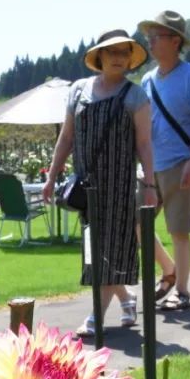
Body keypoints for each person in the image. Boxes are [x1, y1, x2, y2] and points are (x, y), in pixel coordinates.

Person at [41, 29, 157, 338]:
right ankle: (126, 299)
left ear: (130, 59)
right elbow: (66, 138)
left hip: (120, 188)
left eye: (124, 53)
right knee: (96, 252)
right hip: (86, 189)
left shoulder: (135, 96)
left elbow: (145, 145)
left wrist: (150, 186)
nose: (118, 58)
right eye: (112, 52)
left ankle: (96, 315)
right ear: (100, 57)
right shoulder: (78, 91)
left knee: (112, 251)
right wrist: (52, 177)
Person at [139, 10, 190, 311]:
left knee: (178, 231)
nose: (151, 43)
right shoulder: (146, 80)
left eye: (156, 37)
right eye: (149, 38)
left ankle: (181, 292)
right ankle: (169, 270)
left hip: (180, 163)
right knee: (137, 221)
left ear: (175, 41)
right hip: (150, 167)